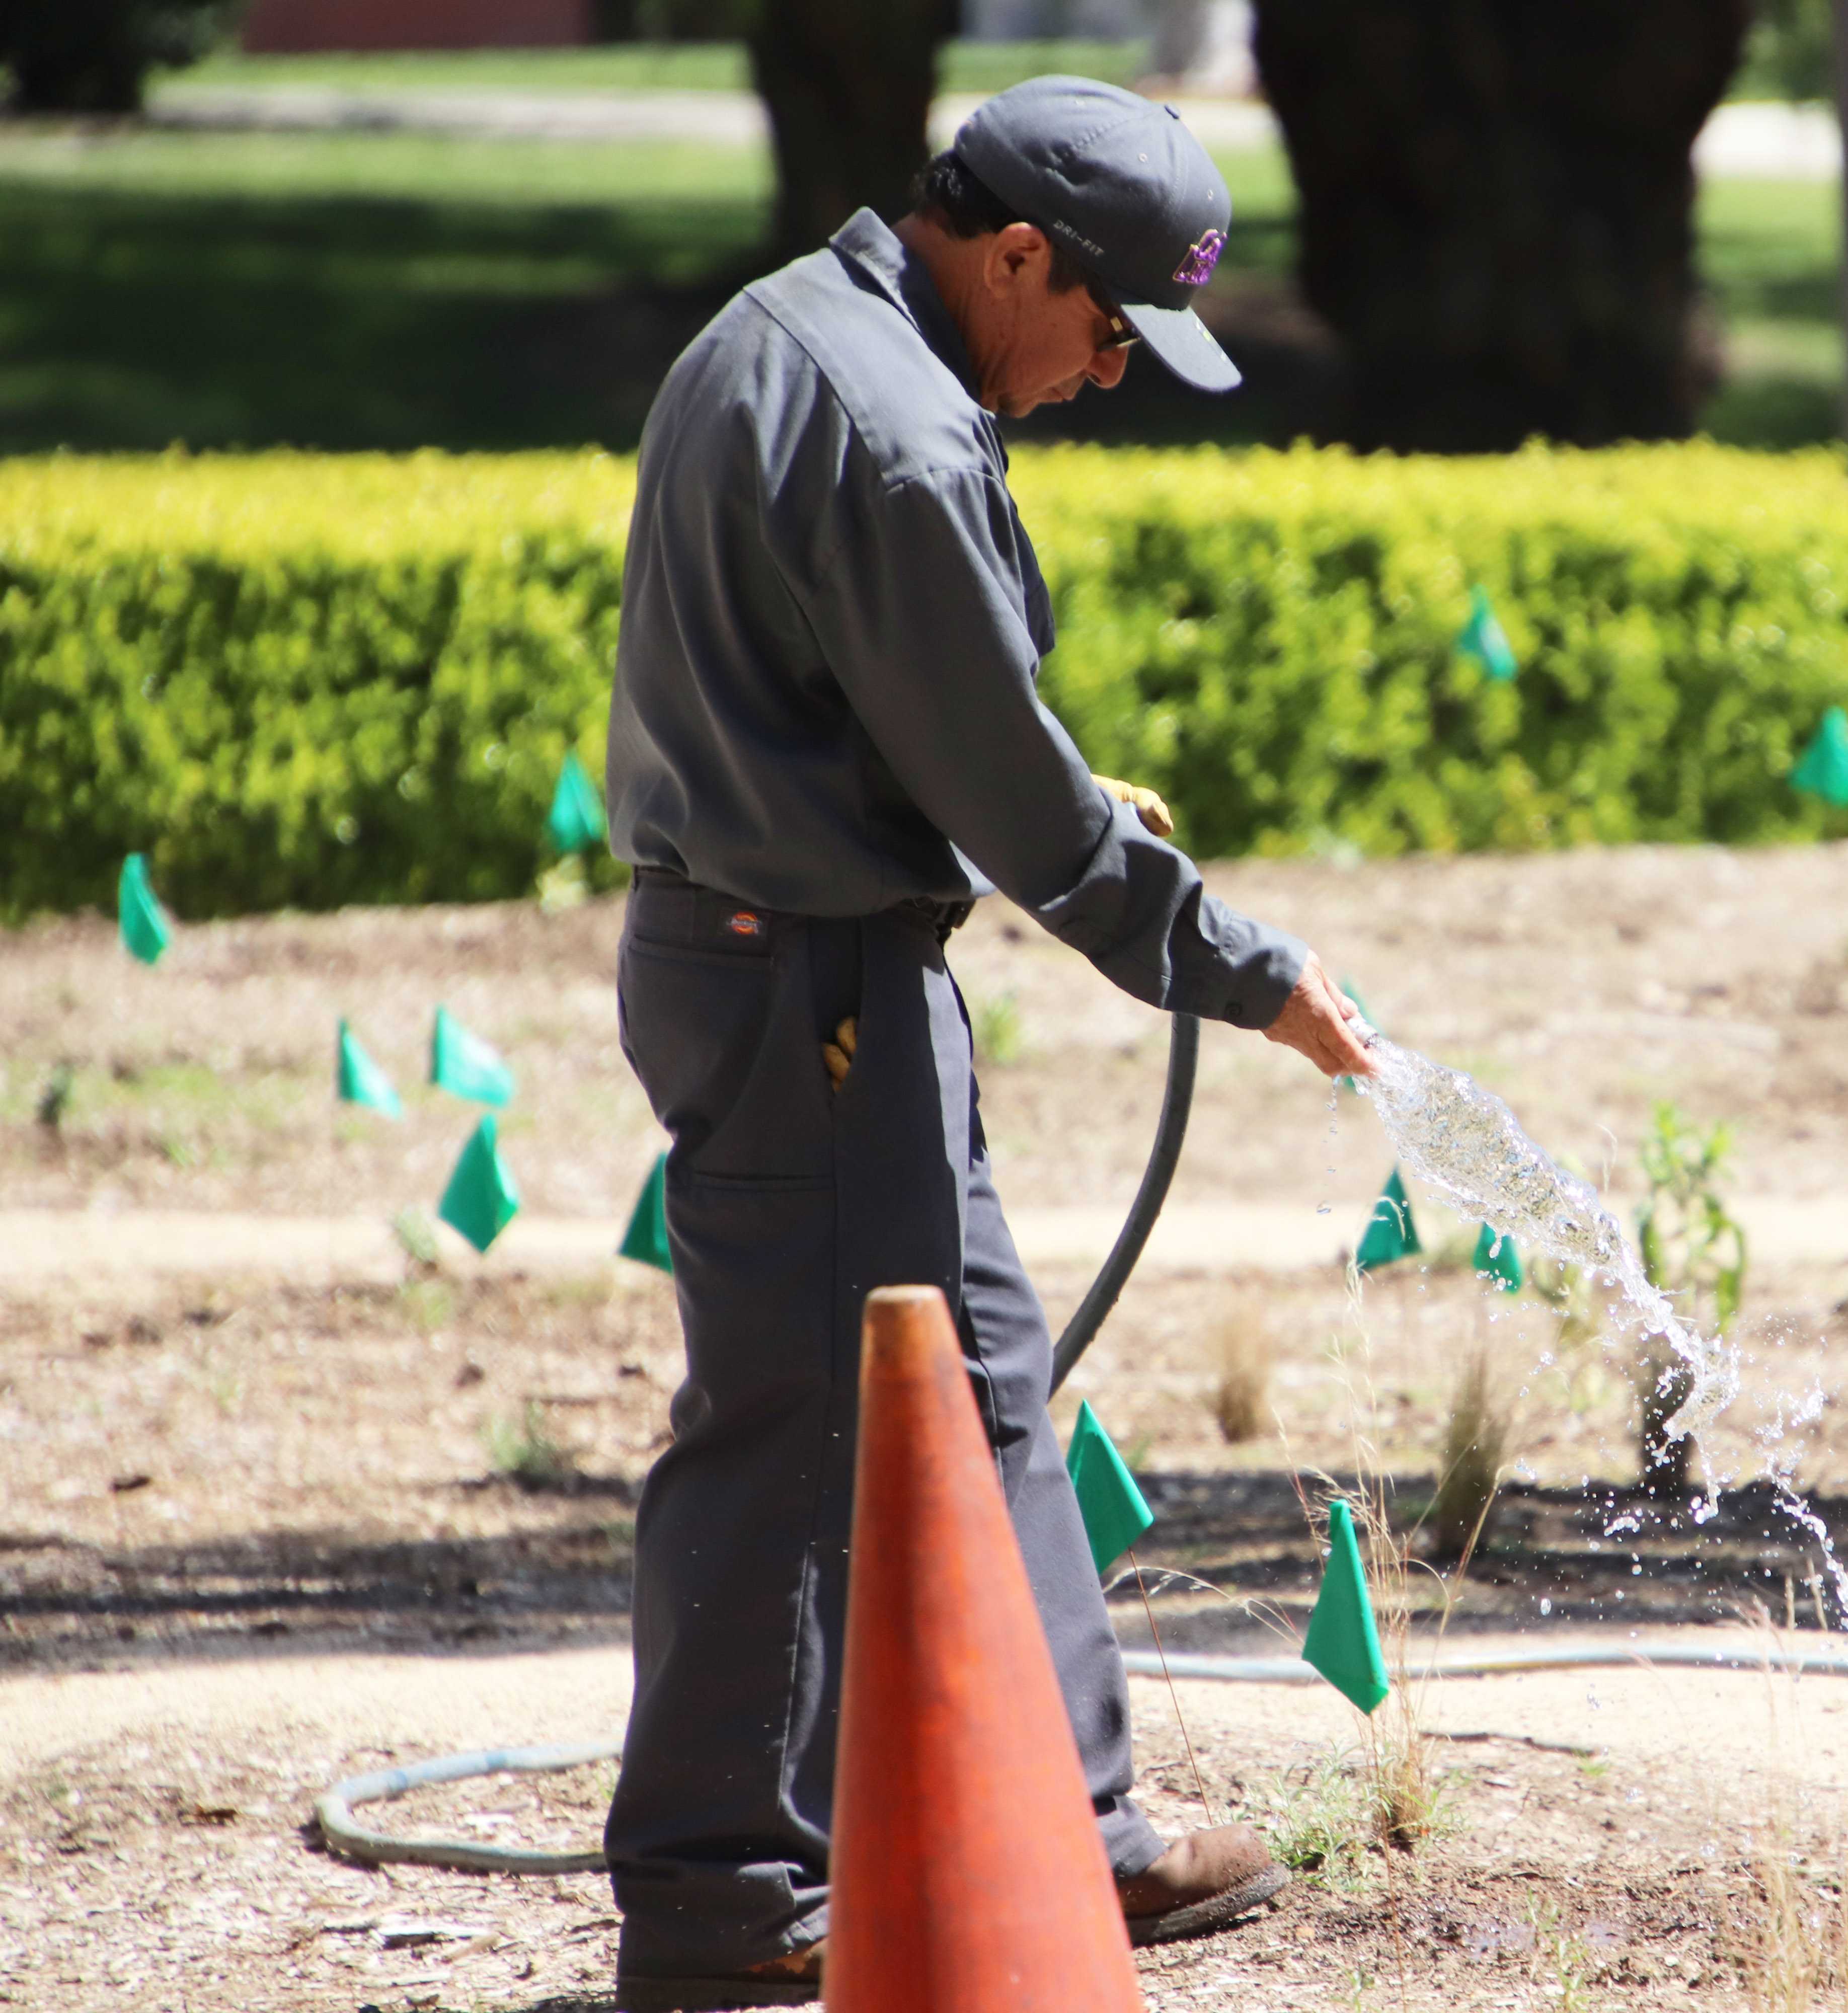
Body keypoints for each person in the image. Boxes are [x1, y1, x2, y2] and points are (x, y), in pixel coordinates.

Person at [597, 75, 1375, 2012]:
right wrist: (1248, 974)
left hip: (786, 959)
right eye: (1110, 329)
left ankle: (1066, 1826)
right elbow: (1031, 823)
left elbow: (874, 702)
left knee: (988, 1390)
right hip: (811, 990)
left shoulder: (785, 329)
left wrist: (1026, 790)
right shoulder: (904, 441)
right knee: (794, 1424)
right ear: (1016, 255)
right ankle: (716, 1893)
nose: (1109, 374)